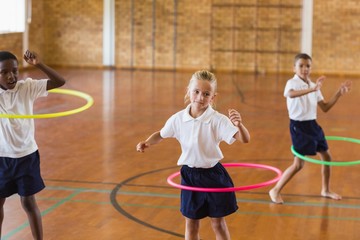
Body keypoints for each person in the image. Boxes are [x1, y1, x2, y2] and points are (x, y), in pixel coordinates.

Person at [136, 70, 250, 240]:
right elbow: (161, 134)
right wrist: (146, 142)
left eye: (206, 94)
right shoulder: (178, 119)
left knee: (218, 223)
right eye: (196, 91)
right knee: (191, 224)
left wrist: (239, 125)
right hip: (190, 175)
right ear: (188, 91)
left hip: (214, 176)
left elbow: (245, 139)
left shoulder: (217, 120)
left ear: (213, 97)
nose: (200, 97)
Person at [269, 53, 352, 204]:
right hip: (298, 126)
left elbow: (325, 107)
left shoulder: (314, 86)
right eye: (301, 65)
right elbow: (291, 95)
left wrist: (339, 93)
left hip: (313, 125)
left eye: (308, 66)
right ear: (294, 68)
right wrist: (312, 90)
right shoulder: (291, 83)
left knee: (327, 157)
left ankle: (325, 190)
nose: (304, 68)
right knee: (298, 164)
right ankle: (275, 190)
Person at [0, 50, 66, 239]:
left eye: (14, 70)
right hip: (2, 157)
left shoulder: (26, 88)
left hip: (26, 156)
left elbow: (60, 82)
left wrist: (39, 64)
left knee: (28, 202)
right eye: (4, 72)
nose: (11, 76)